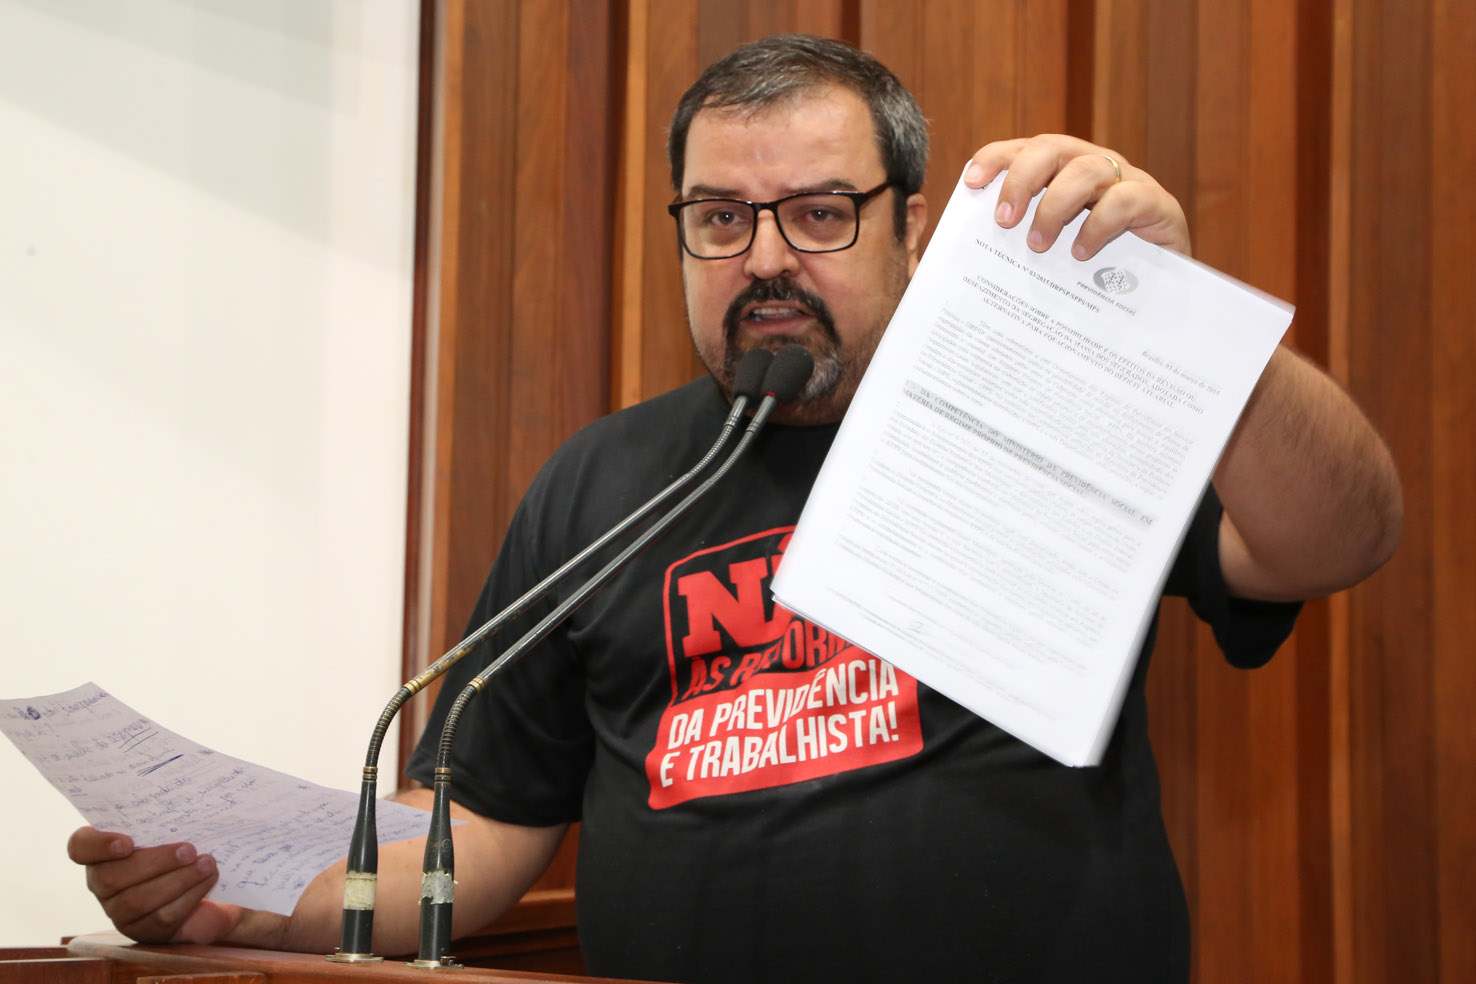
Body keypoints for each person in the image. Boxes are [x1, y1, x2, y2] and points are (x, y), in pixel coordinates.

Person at [69, 34, 1400, 983]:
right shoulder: (598, 481)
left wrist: (1181, 325)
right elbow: (484, 824)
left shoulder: (1048, 414)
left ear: (913, 227)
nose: (765, 258)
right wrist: (253, 905)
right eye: (719, 218)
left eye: (819, 213)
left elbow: (1339, 540)